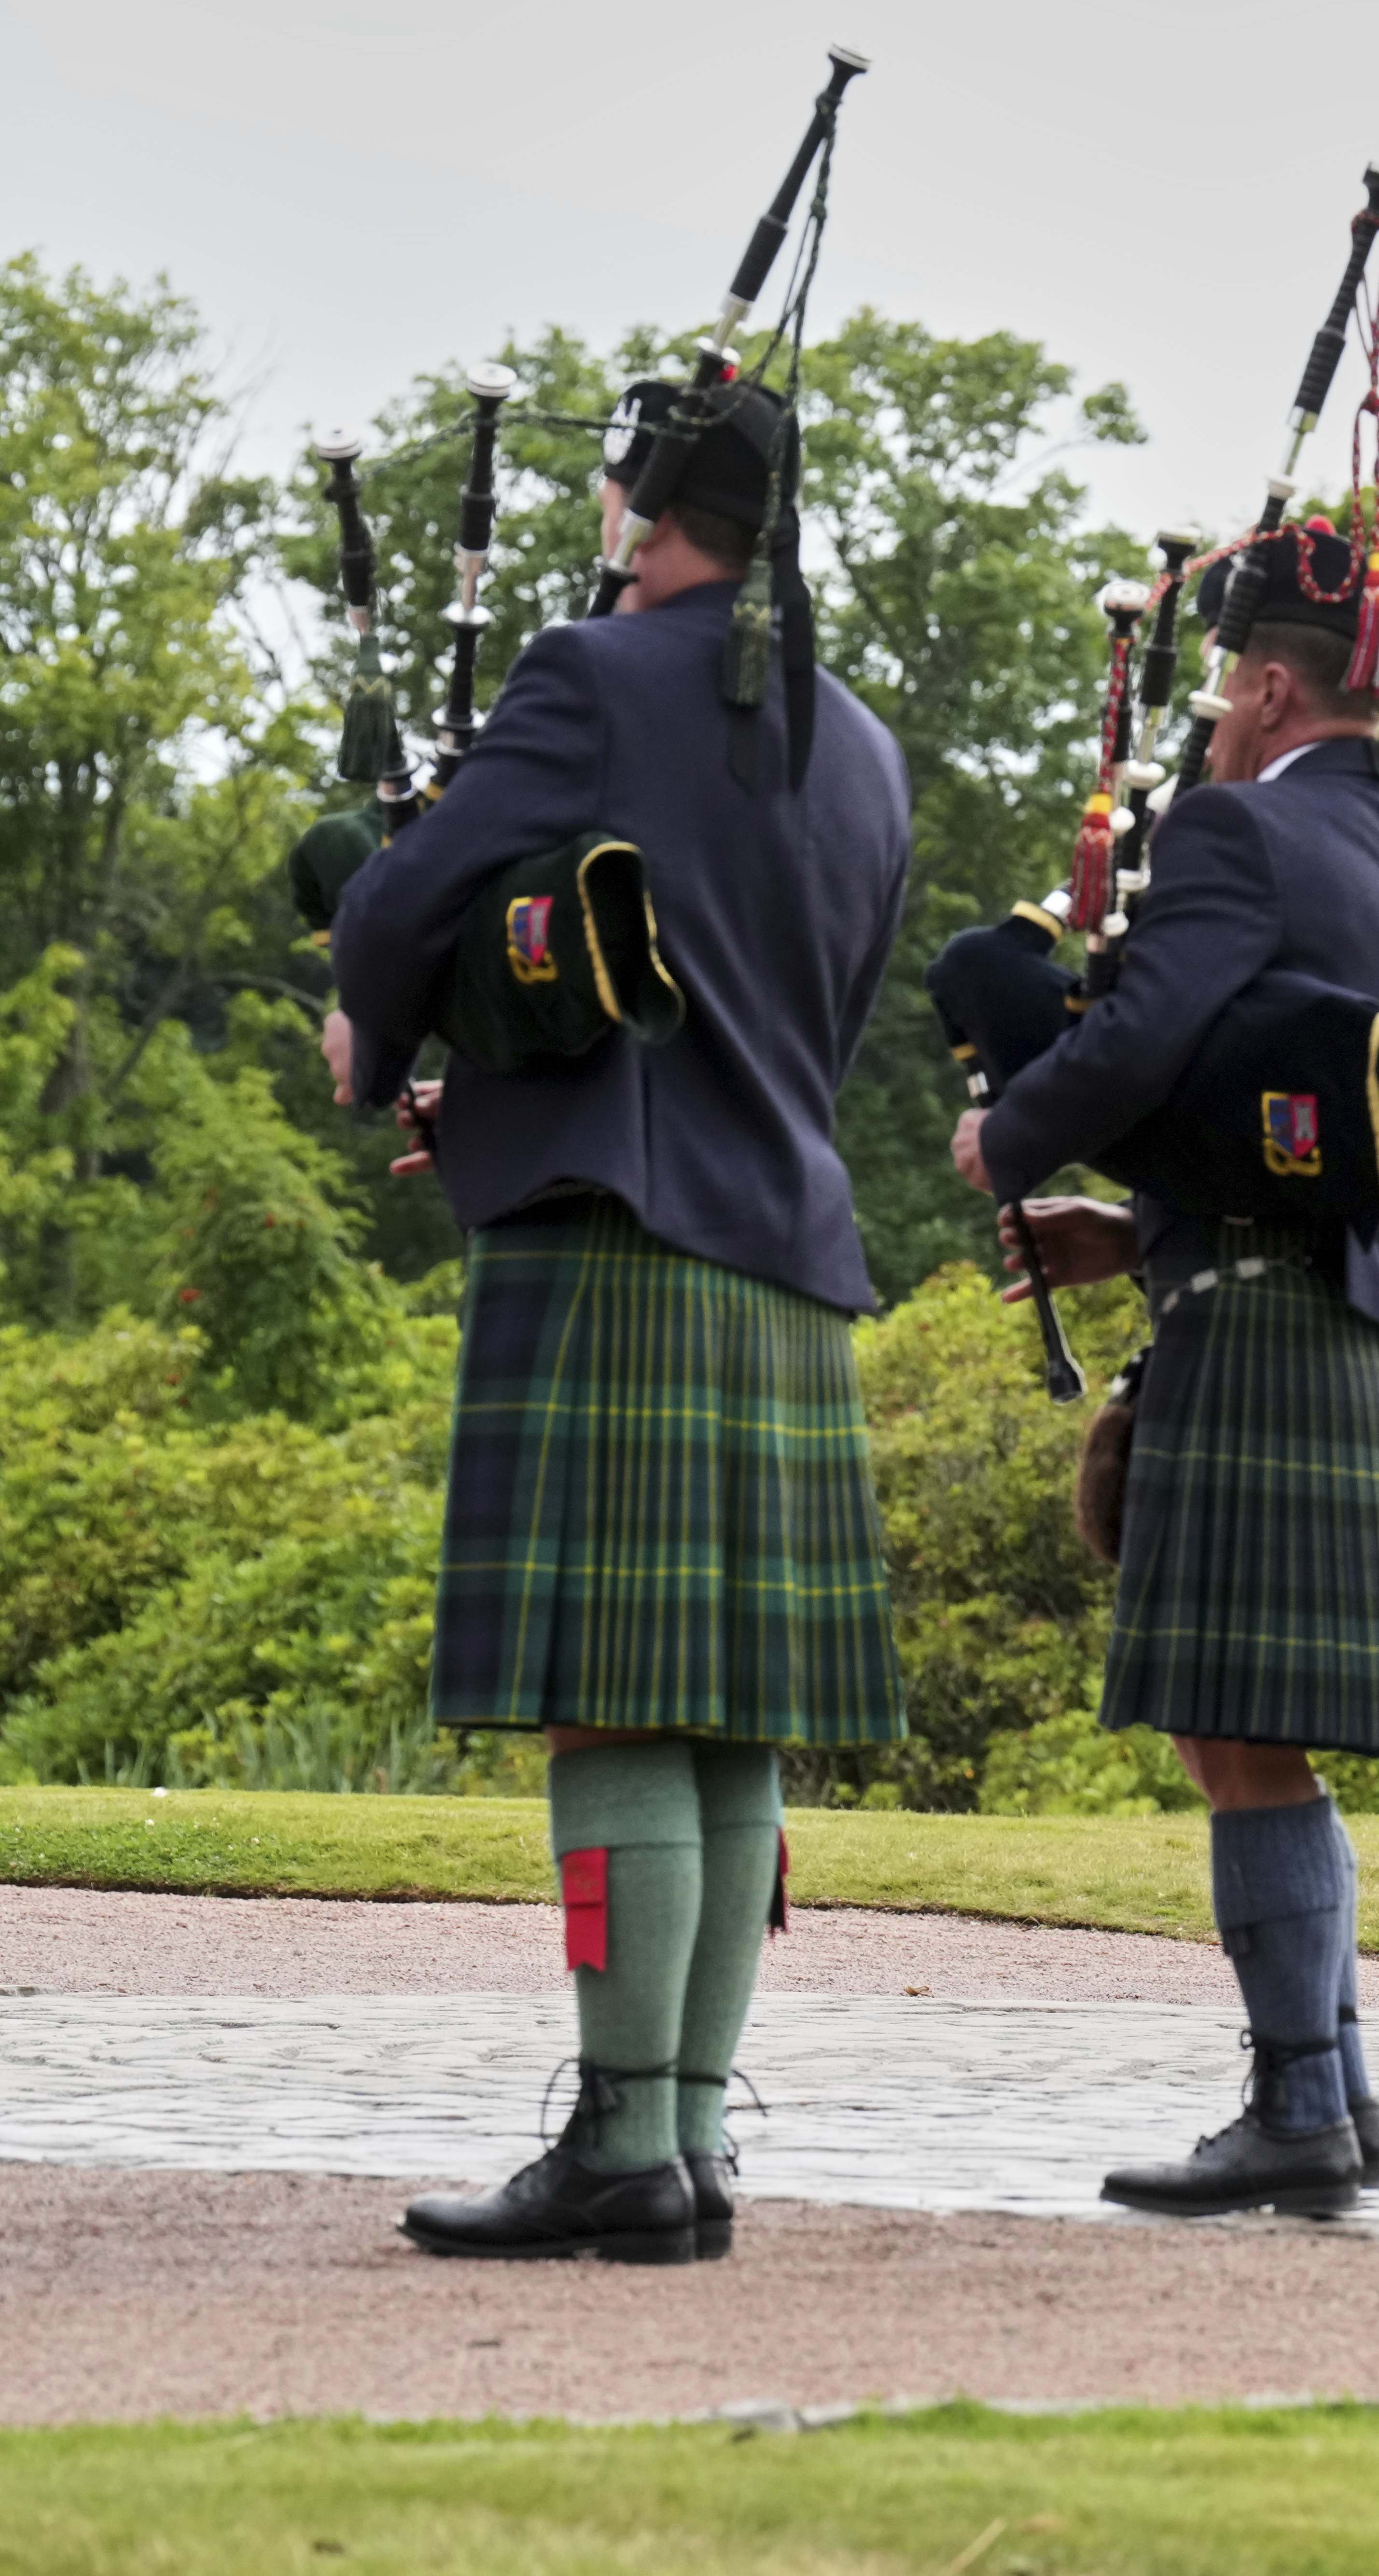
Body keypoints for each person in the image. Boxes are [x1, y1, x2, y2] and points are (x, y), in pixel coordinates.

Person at [327, 381, 914, 2265]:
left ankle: (615, 2135)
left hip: (621, 1240)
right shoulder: (868, 750)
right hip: (787, 1244)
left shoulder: (590, 675)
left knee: (608, 1695)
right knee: (729, 1716)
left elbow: (409, 896)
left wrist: (385, 1034)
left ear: (641, 507)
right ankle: (681, 2139)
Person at [956, 518, 1379, 2220]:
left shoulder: (1241, 830)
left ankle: (1304, 2106)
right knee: (1249, 1732)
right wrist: (1140, 1219)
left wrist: (1003, 1132)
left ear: (1261, 685)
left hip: (1262, 1321)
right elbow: (1273, 1092)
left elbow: (1138, 1041)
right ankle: (1341, 2089)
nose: (1214, 728)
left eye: (1227, 695)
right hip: (1336, 1295)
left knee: (1236, 1733)